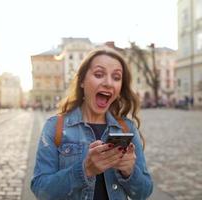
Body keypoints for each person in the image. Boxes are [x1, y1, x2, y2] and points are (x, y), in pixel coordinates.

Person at [31, 48, 153, 200]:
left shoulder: (127, 128)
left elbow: (144, 192)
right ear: (82, 81)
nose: (108, 83)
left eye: (116, 77)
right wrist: (85, 170)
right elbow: (41, 190)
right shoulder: (55, 127)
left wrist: (129, 172)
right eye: (99, 74)